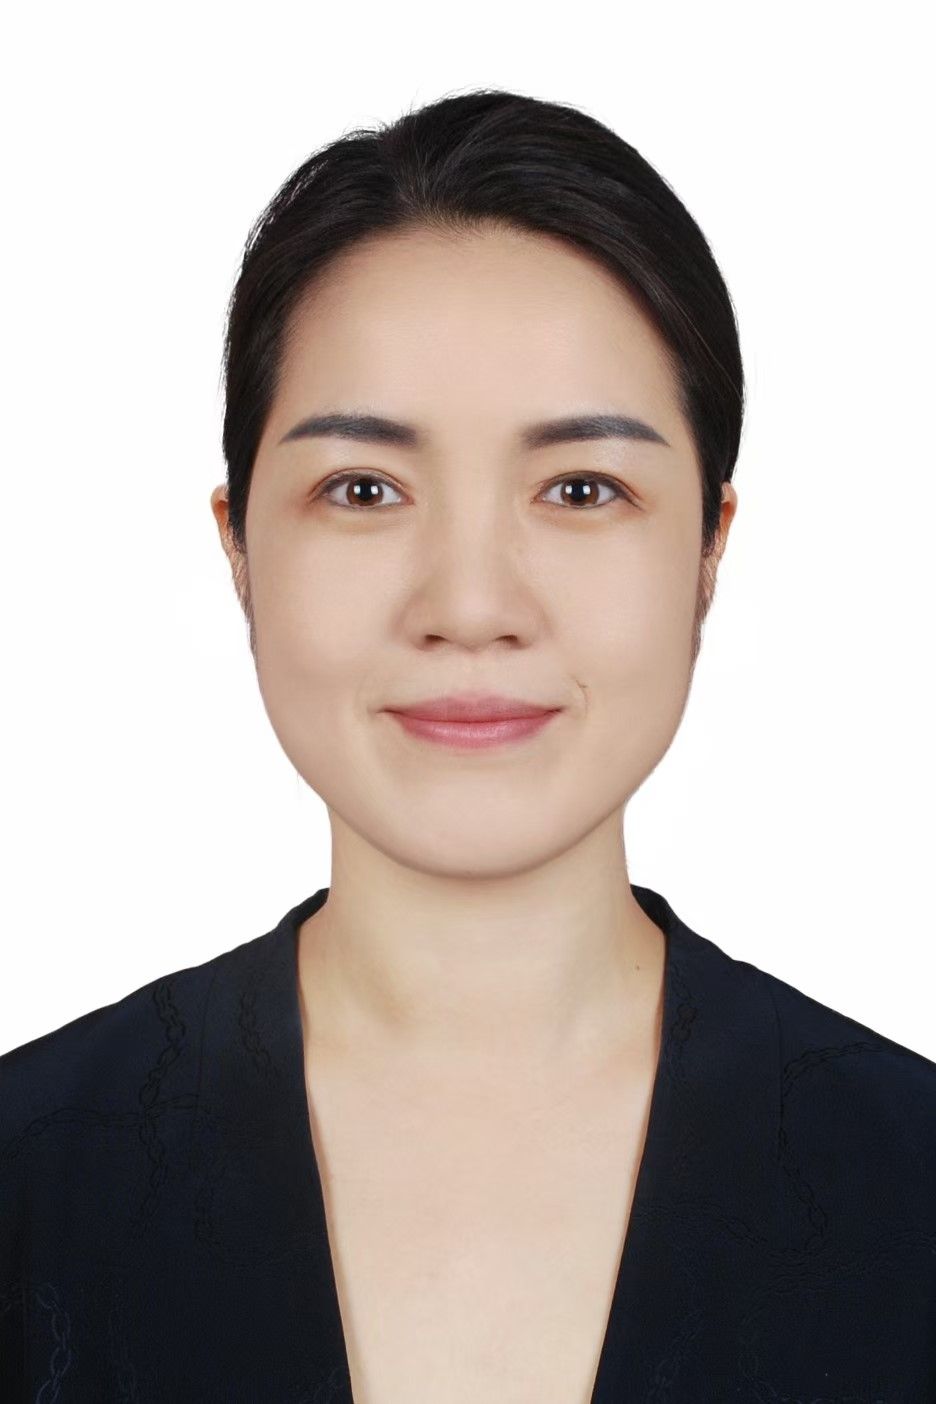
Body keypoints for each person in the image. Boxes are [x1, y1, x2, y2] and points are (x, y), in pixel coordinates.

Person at [2, 87, 934, 1403]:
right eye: (364, 489)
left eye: (582, 489)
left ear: (710, 552)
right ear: (238, 549)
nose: (472, 604)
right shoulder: (30, 1174)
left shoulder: (910, 1183)